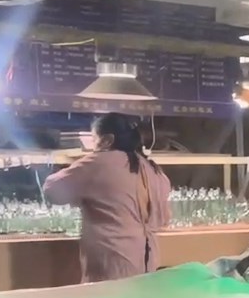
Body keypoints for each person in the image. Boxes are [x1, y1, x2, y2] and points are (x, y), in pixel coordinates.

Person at [43, 113, 172, 282]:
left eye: (93, 139)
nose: (92, 146)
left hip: (112, 262)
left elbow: (52, 191)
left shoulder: (99, 162)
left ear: (107, 140)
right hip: (148, 260)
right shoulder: (152, 168)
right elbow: (164, 218)